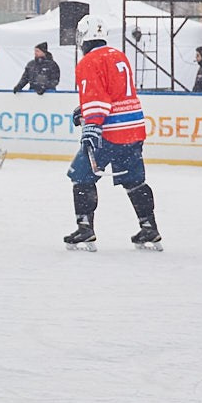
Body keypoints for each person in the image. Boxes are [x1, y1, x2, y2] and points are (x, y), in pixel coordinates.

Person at [64, 19, 158, 250]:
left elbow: (97, 98)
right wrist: (84, 109)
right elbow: (114, 93)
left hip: (110, 130)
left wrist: (91, 126)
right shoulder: (118, 55)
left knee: (82, 175)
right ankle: (149, 227)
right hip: (134, 126)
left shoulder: (89, 61)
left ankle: (85, 227)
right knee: (134, 181)